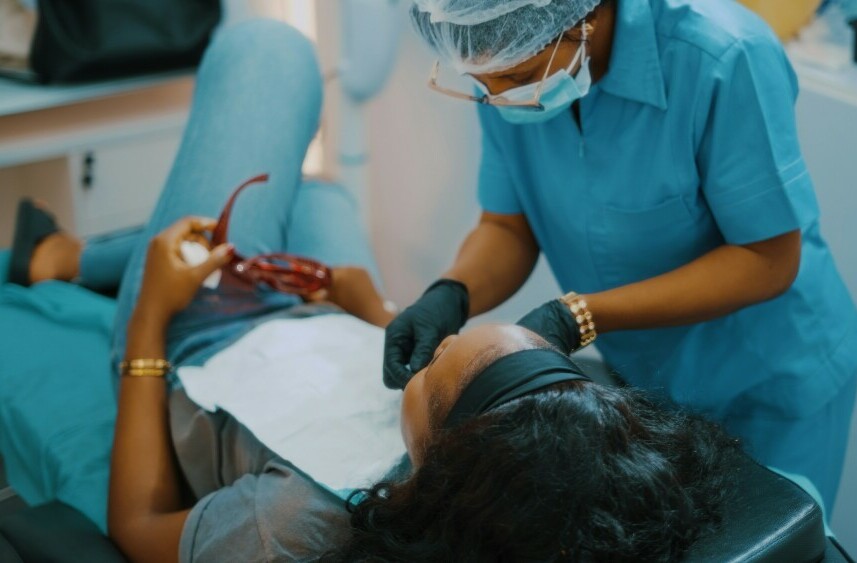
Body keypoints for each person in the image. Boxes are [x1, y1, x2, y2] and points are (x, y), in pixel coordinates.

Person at [4, 18, 740, 563]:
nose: (442, 340)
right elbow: (447, 367)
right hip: (323, 314)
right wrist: (370, 308)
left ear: (436, 459)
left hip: (201, 341)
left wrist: (150, 318)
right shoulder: (481, 454)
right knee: (317, 193)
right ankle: (74, 259)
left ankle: (77, 267)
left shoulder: (293, 522)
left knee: (269, 50)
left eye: (444, 354)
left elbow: (137, 525)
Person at [384, 0, 857, 512]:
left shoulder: (722, 55)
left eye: (519, 75)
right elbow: (507, 226)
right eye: (484, 85)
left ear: (583, 16)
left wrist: (580, 315)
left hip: (768, 379)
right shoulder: (507, 73)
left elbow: (767, 258)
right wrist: (453, 291)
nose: (503, 99)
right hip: (646, 380)